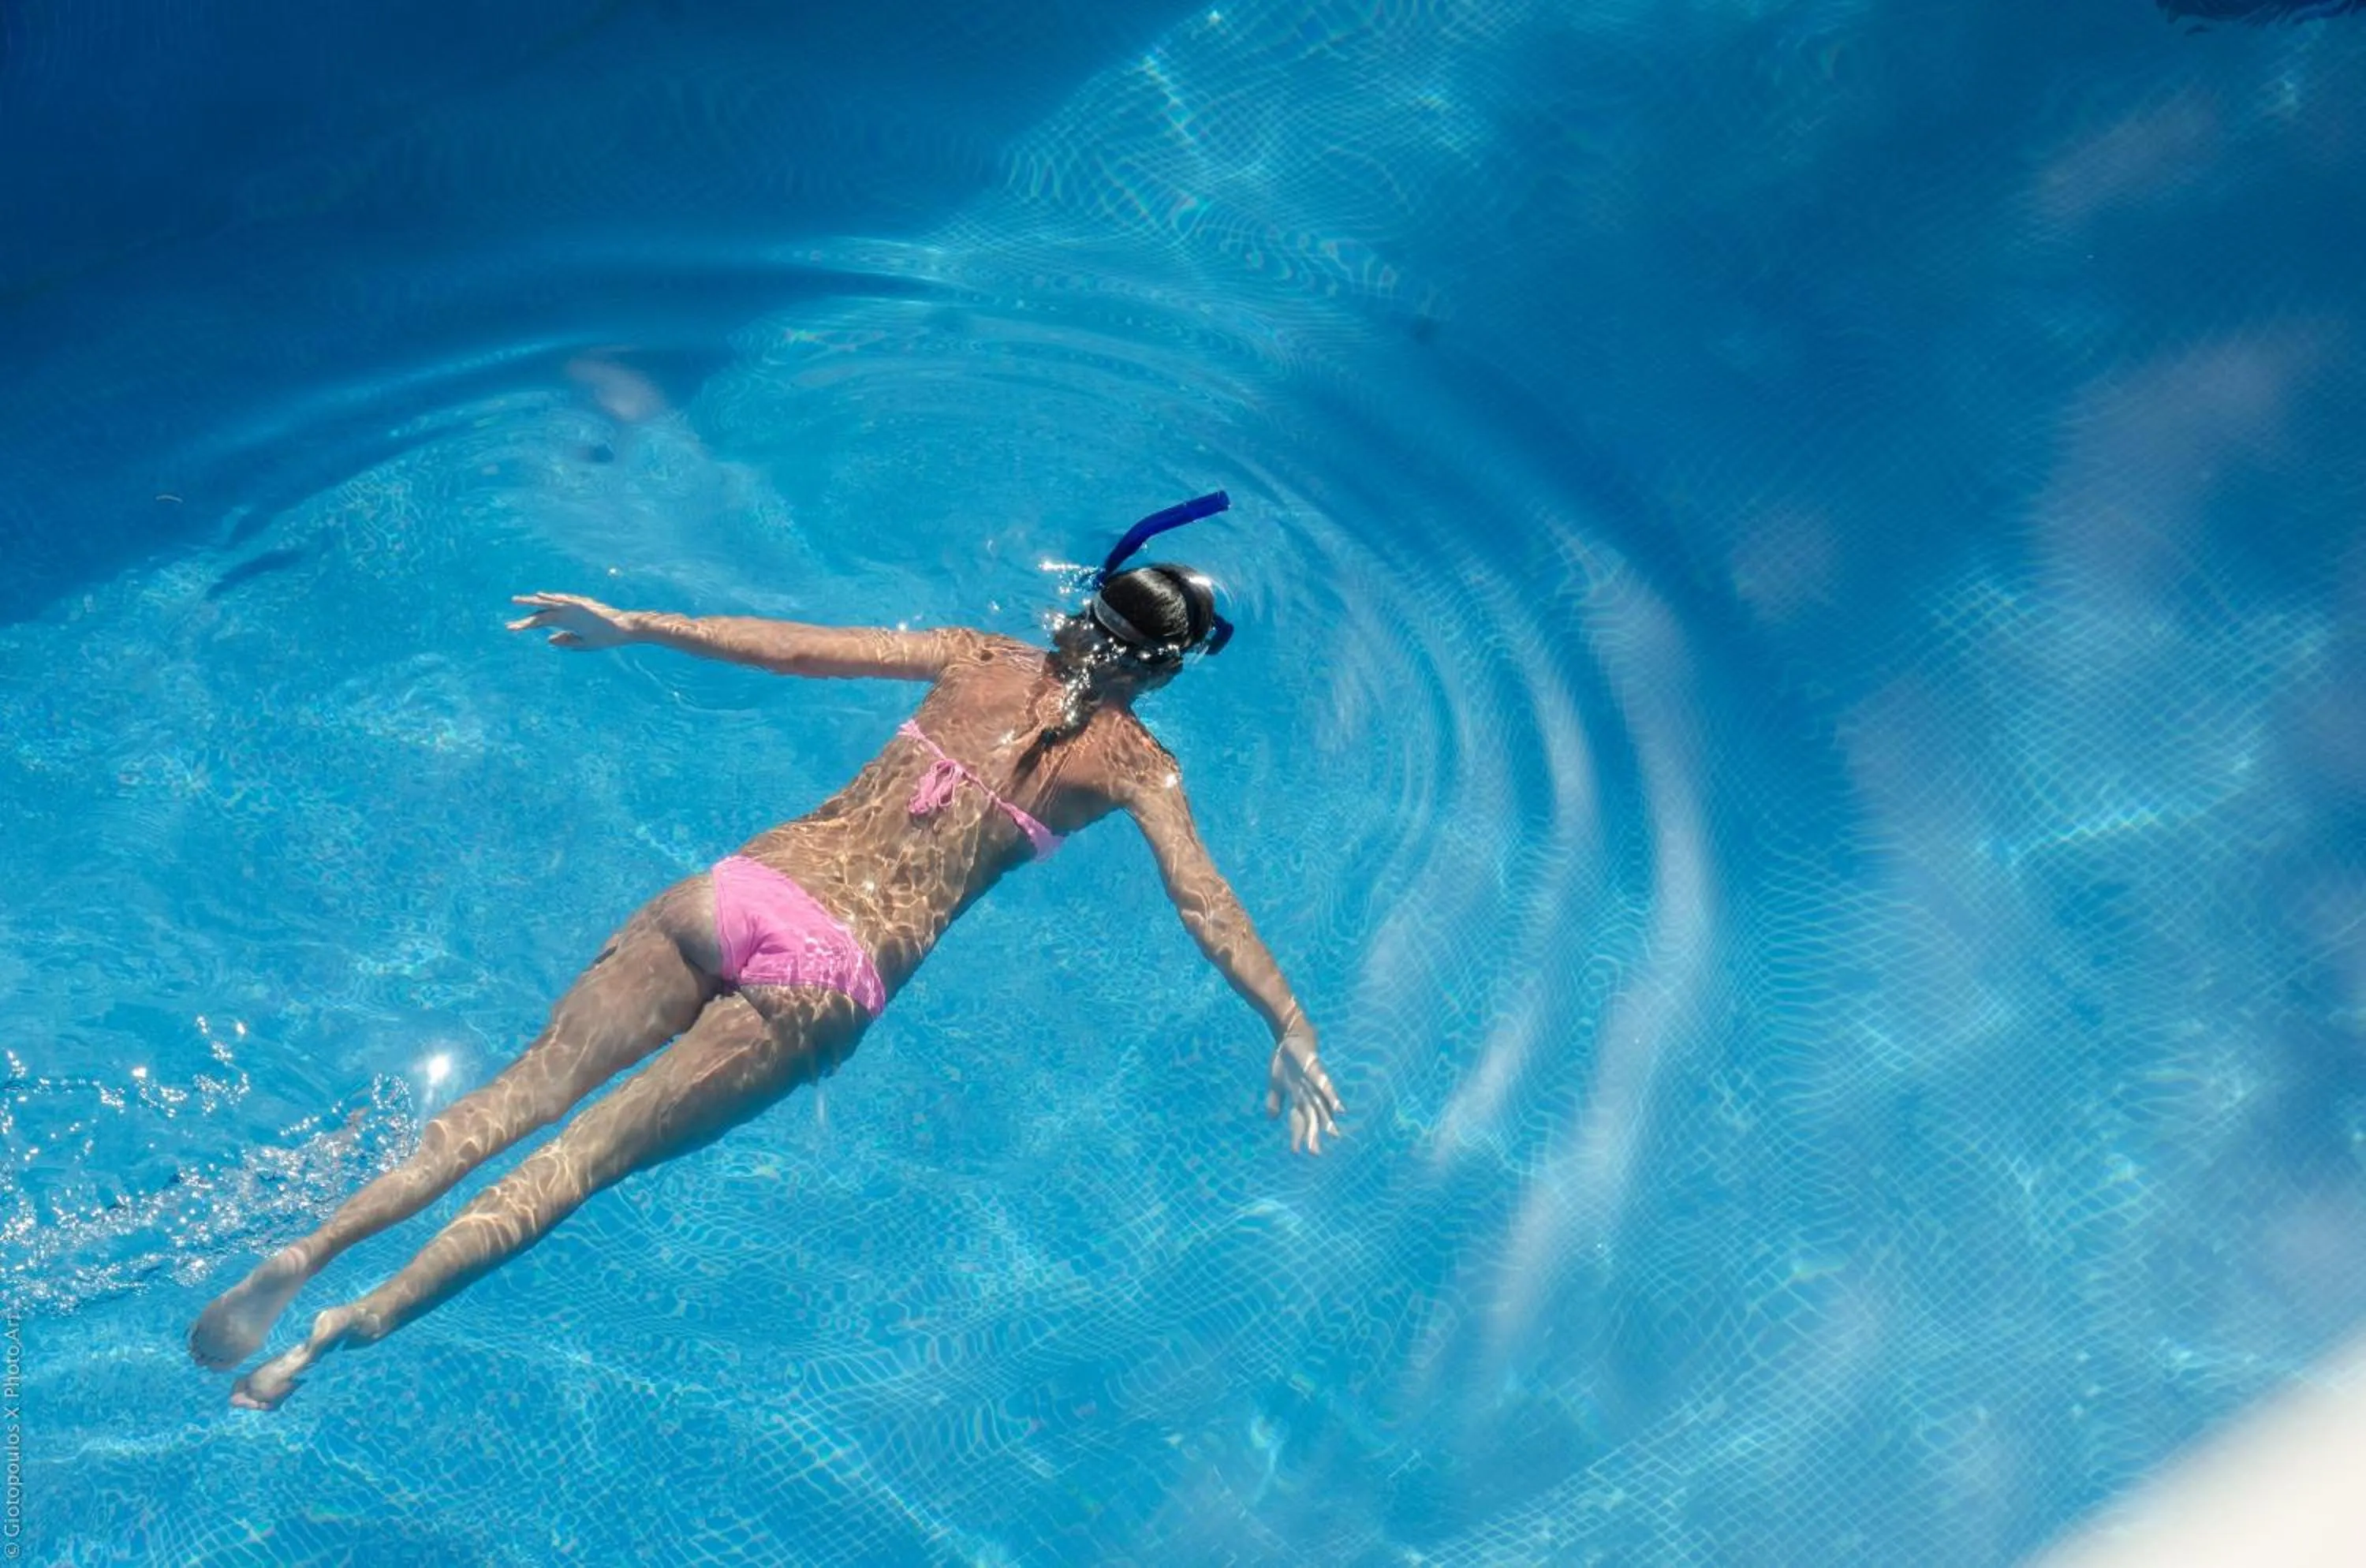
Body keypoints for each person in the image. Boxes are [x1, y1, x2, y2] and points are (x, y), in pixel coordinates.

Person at [186, 493, 1345, 1410]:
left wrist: (640, 625)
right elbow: (1205, 904)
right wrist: (1289, 1024)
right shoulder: (1141, 769)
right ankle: (334, 1336)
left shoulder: (977, 656)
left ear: (1087, 609)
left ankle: (312, 1250)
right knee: (570, 1168)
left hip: (738, 893)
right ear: (1162, 670)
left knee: (515, 1099)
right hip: (825, 979)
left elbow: (797, 652)